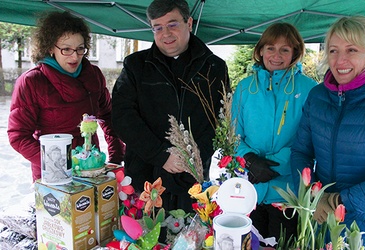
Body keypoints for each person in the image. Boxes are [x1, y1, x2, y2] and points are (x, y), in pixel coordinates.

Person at [291, 16, 365, 247]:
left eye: (352, 50)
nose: (340, 60)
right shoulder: (318, 96)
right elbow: (301, 151)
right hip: (324, 218)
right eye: (333, 50)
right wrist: (312, 195)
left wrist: (339, 200)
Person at [111, 0, 229, 212]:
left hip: (192, 178)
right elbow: (122, 117)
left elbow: (219, 119)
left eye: (172, 24)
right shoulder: (135, 66)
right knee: (146, 240)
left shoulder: (214, 67)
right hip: (144, 176)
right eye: (158, 27)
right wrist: (161, 155)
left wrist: (191, 159)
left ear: (189, 23)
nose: (165, 33)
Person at [7, 11, 125, 182]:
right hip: (52, 172)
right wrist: (57, 165)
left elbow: (108, 117)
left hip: (90, 165)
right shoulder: (32, 81)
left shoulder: (93, 74)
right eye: (66, 49)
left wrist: (115, 156)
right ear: (49, 48)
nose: (75, 56)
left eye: (79, 49)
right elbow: (18, 136)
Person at [231, 23, 317, 243]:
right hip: (249, 191)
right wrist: (250, 160)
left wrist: (274, 164)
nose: (276, 55)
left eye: (285, 49)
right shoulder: (244, 87)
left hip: (287, 193)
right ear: (260, 50)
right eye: (270, 48)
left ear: (295, 53)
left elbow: (311, 139)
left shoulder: (309, 89)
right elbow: (233, 136)